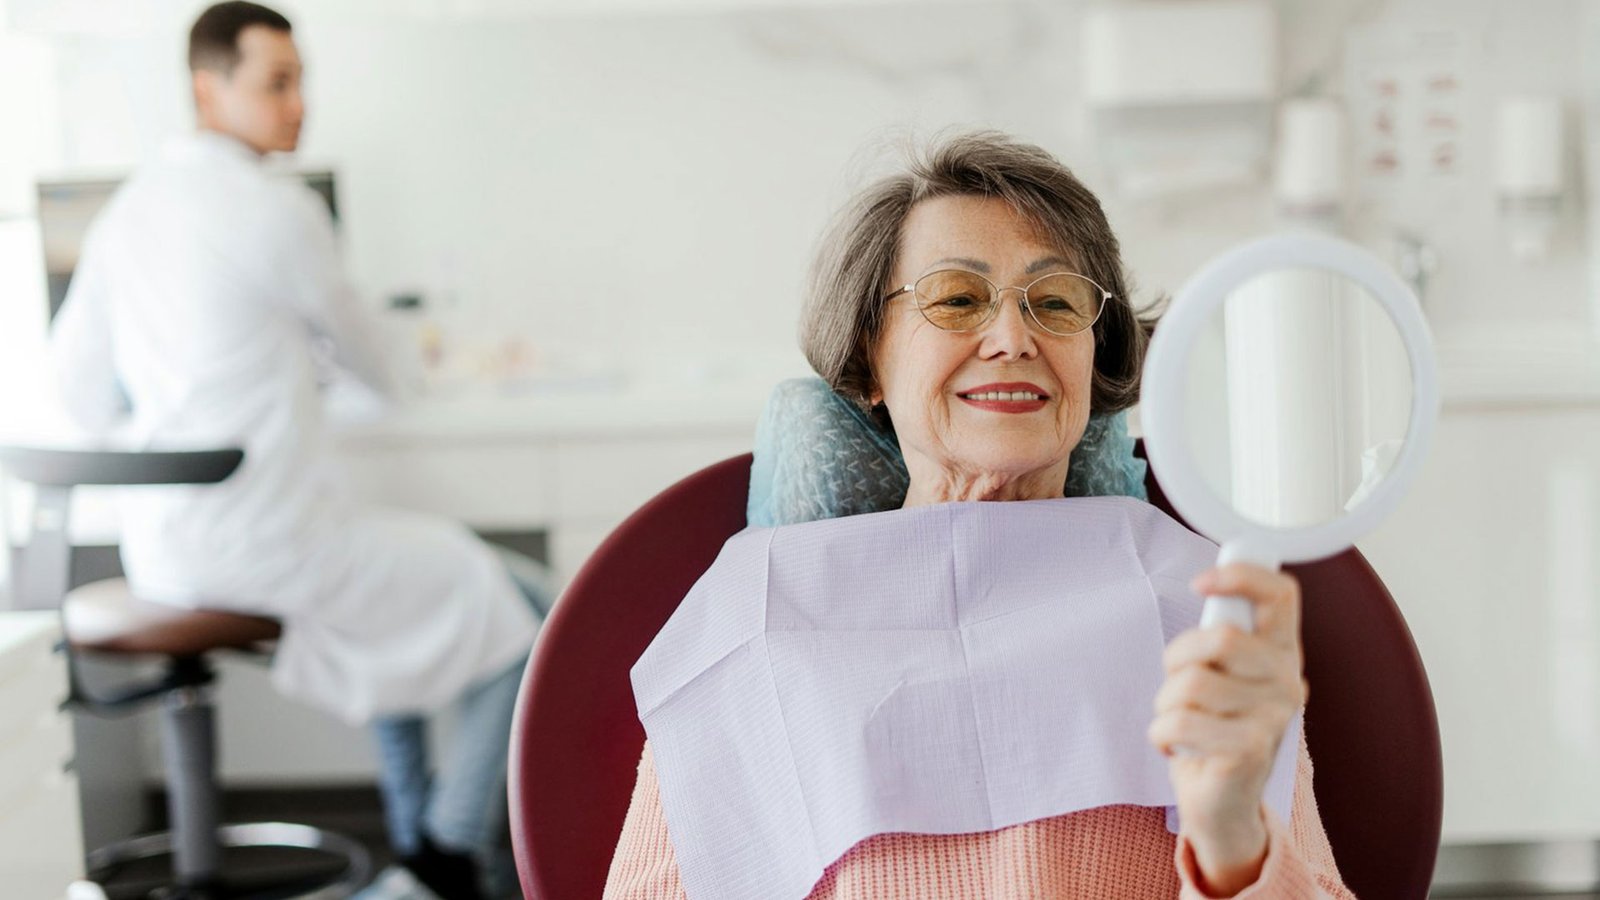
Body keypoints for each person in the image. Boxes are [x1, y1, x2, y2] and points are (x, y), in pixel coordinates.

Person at [603, 132, 1354, 898]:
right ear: (869, 358)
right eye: (958, 299)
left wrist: (1236, 844)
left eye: (1056, 303)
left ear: (1096, 356)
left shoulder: (1206, 606)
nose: (1012, 338)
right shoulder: (755, 620)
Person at [48, 4, 544, 898]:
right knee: (520, 616)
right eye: (276, 83)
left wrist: (188, 418)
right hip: (264, 548)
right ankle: (439, 859)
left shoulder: (126, 214)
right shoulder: (274, 209)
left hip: (163, 551)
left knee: (421, 600)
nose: (299, 104)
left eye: (300, 80)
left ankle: (414, 830)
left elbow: (79, 395)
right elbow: (385, 373)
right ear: (208, 89)